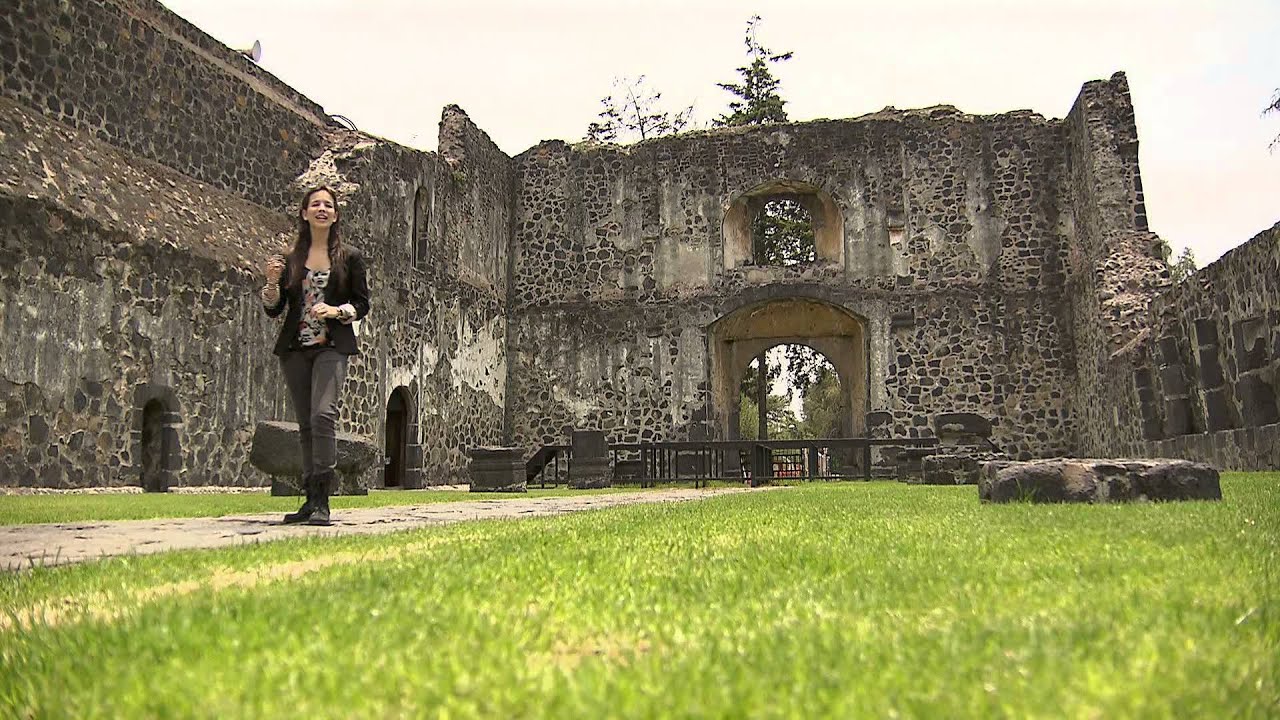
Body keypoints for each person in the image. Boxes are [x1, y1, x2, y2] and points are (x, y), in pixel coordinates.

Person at [261, 186, 370, 525]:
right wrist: (271, 284)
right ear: (304, 213)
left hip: (332, 347)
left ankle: (323, 497)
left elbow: (363, 303)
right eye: (315, 204)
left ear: (335, 215)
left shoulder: (349, 257)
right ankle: (309, 500)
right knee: (307, 425)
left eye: (328, 205)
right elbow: (275, 308)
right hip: (295, 349)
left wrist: (337, 312)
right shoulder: (291, 259)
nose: (322, 209)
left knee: (324, 416)